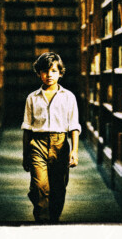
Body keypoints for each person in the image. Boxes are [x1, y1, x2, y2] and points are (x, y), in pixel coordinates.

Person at [21, 52, 81, 223]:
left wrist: (74, 151)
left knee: (58, 188)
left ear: (60, 72)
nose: (49, 75)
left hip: (60, 144)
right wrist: (25, 154)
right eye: (45, 71)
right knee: (39, 187)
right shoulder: (32, 98)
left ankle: (53, 220)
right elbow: (27, 128)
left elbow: (74, 127)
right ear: (39, 73)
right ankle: (42, 221)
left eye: (54, 71)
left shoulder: (68, 97)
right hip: (37, 144)